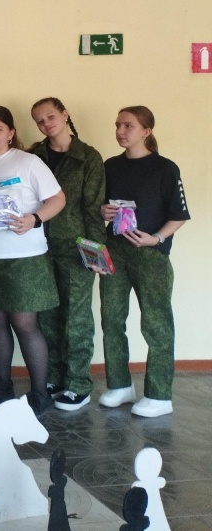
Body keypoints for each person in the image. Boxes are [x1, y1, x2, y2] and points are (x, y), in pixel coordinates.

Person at [0, 105, 66, 415]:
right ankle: (2, 385)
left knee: (25, 325)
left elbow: (57, 199)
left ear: (11, 133)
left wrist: (34, 219)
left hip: (24, 256)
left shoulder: (29, 162)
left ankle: (39, 392)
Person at [98, 106, 188, 418]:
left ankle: (159, 396)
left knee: (156, 323)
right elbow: (102, 207)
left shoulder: (165, 168)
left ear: (146, 131)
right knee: (111, 319)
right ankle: (120, 385)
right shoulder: (110, 166)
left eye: (128, 126)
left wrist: (156, 238)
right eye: (117, 125)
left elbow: (179, 215)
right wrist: (103, 212)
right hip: (115, 251)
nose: (120, 131)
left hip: (151, 257)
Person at [29, 97, 106, 412]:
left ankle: (78, 384)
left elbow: (94, 208)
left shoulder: (87, 157)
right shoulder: (34, 156)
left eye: (50, 117)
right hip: (38, 246)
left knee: (76, 317)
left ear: (64, 114)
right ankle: (54, 377)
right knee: (46, 315)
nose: (46, 124)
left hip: (76, 248)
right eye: (39, 120)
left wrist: (96, 252)